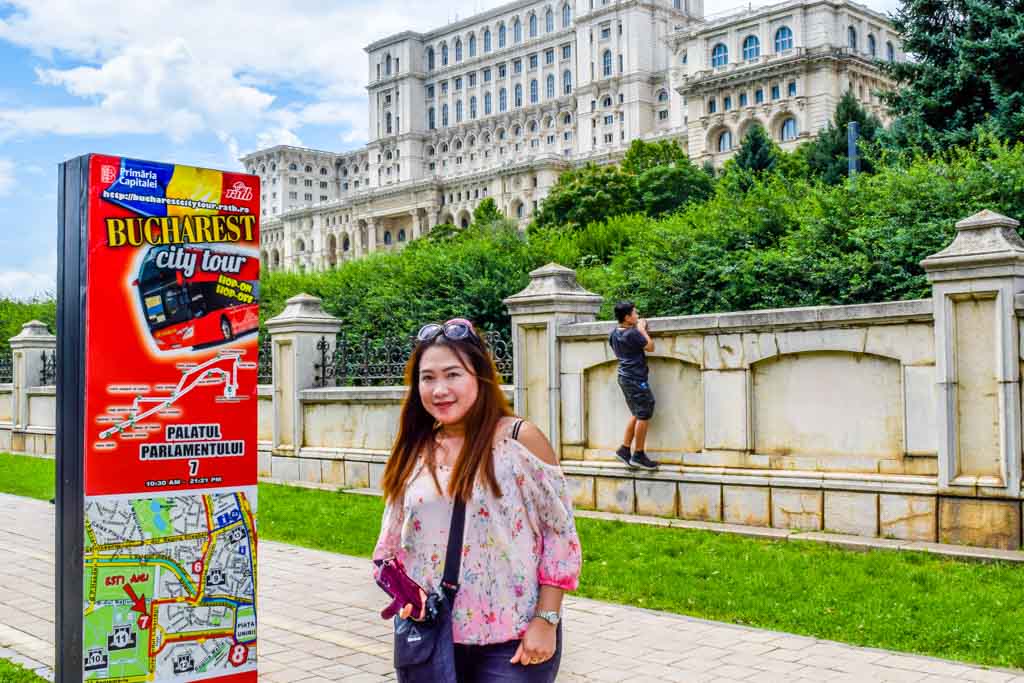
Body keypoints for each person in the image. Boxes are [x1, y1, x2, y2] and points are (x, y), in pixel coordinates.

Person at [373, 317, 582, 682]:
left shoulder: (519, 441)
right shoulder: (415, 450)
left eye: (453, 374)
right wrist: (404, 593)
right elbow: (390, 546)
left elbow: (560, 538)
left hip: (512, 640)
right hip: (432, 637)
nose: (440, 389)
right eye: (428, 378)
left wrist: (546, 621)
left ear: (480, 377)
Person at [609, 302, 659, 470]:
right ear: (627, 317)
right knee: (644, 412)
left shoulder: (614, 334)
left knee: (637, 413)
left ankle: (624, 450)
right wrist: (642, 329)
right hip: (636, 379)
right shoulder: (633, 333)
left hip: (624, 376)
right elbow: (650, 347)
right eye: (635, 313)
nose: (637, 316)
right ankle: (638, 454)